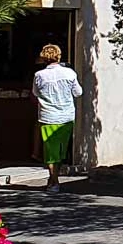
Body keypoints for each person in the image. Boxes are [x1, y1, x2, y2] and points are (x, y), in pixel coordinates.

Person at [32, 44, 83, 192]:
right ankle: (54, 180)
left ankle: (53, 181)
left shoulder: (39, 75)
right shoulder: (69, 73)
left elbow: (35, 93)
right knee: (61, 150)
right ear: (59, 56)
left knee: (50, 151)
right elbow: (78, 92)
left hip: (48, 116)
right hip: (66, 116)